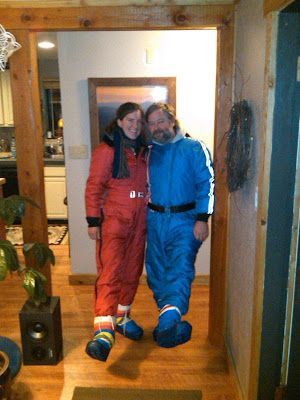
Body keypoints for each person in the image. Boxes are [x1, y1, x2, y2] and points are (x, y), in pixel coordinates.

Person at [145, 103, 214, 348]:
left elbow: (207, 184)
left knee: (179, 268)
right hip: (154, 221)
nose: (157, 127)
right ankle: (170, 321)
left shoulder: (195, 148)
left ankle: (168, 322)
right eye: (151, 123)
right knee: (156, 271)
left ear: (172, 120)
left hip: (186, 221)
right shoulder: (149, 152)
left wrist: (202, 219)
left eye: (161, 121)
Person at [85, 102, 149, 362]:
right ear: (120, 122)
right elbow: (94, 187)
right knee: (110, 274)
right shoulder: (107, 150)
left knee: (132, 271)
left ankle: (122, 317)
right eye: (129, 120)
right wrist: (92, 220)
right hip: (113, 221)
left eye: (138, 120)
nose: (135, 125)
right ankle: (103, 331)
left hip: (139, 222)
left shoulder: (145, 151)